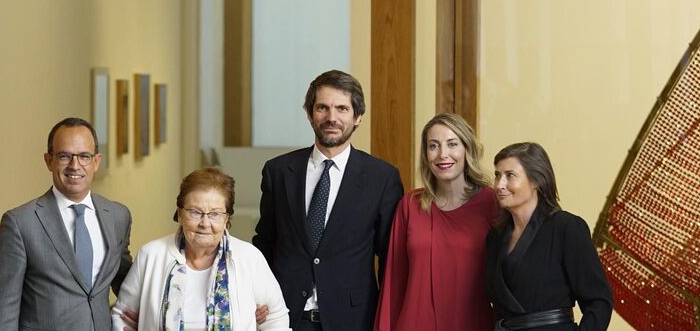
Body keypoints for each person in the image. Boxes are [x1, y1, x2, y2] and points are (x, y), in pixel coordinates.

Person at [252, 70, 404, 331]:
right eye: (322, 107)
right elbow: (265, 241)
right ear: (310, 114)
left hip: (353, 319)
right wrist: (256, 296)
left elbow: (390, 256)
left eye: (342, 109)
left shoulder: (382, 178)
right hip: (286, 316)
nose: (332, 117)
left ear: (357, 117)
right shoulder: (278, 172)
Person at [0, 117, 133, 330]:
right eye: (64, 156)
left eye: (84, 156)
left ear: (96, 161)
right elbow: (2, 308)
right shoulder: (19, 224)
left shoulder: (118, 216)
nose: (75, 166)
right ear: (49, 160)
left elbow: (126, 282)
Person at [111, 167, 290, 330]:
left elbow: (276, 318)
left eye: (215, 214)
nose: (205, 223)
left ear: (227, 217)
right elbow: (122, 316)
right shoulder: (151, 255)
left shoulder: (249, 258)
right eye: (195, 212)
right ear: (180, 214)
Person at [375, 113, 498, 330]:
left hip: (472, 323)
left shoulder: (492, 203)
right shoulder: (410, 205)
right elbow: (394, 279)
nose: (443, 154)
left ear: (467, 149)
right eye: (433, 146)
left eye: (452, 144)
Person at [486, 142, 613, 330]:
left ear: (536, 180)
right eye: (497, 175)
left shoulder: (567, 228)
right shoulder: (495, 238)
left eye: (510, 175)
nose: (499, 185)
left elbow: (599, 302)